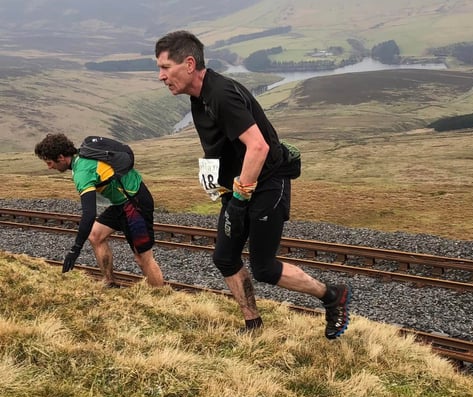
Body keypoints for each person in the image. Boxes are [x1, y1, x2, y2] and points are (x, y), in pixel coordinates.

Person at [153, 30, 351, 339]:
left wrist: (239, 200)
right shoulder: (198, 97)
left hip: (268, 183)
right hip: (238, 189)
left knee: (264, 268)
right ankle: (253, 324)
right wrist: (216, 186)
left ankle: (332, 296)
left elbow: (257, 147)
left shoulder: (221, 94)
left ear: (189, 63)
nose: (161, 76)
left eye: (165, 67)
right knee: (225, 257)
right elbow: (220, 146)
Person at [34, 133, 165, 287]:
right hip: (122, 202)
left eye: (49, 163)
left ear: (61, 157)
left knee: (143, 258)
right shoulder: (83, 155)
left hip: (134, 203)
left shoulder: (82, 172)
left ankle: (162, 297)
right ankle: (110, 283)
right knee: (95, 235)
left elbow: (89, 214)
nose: (49, 167)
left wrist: (75, 249)